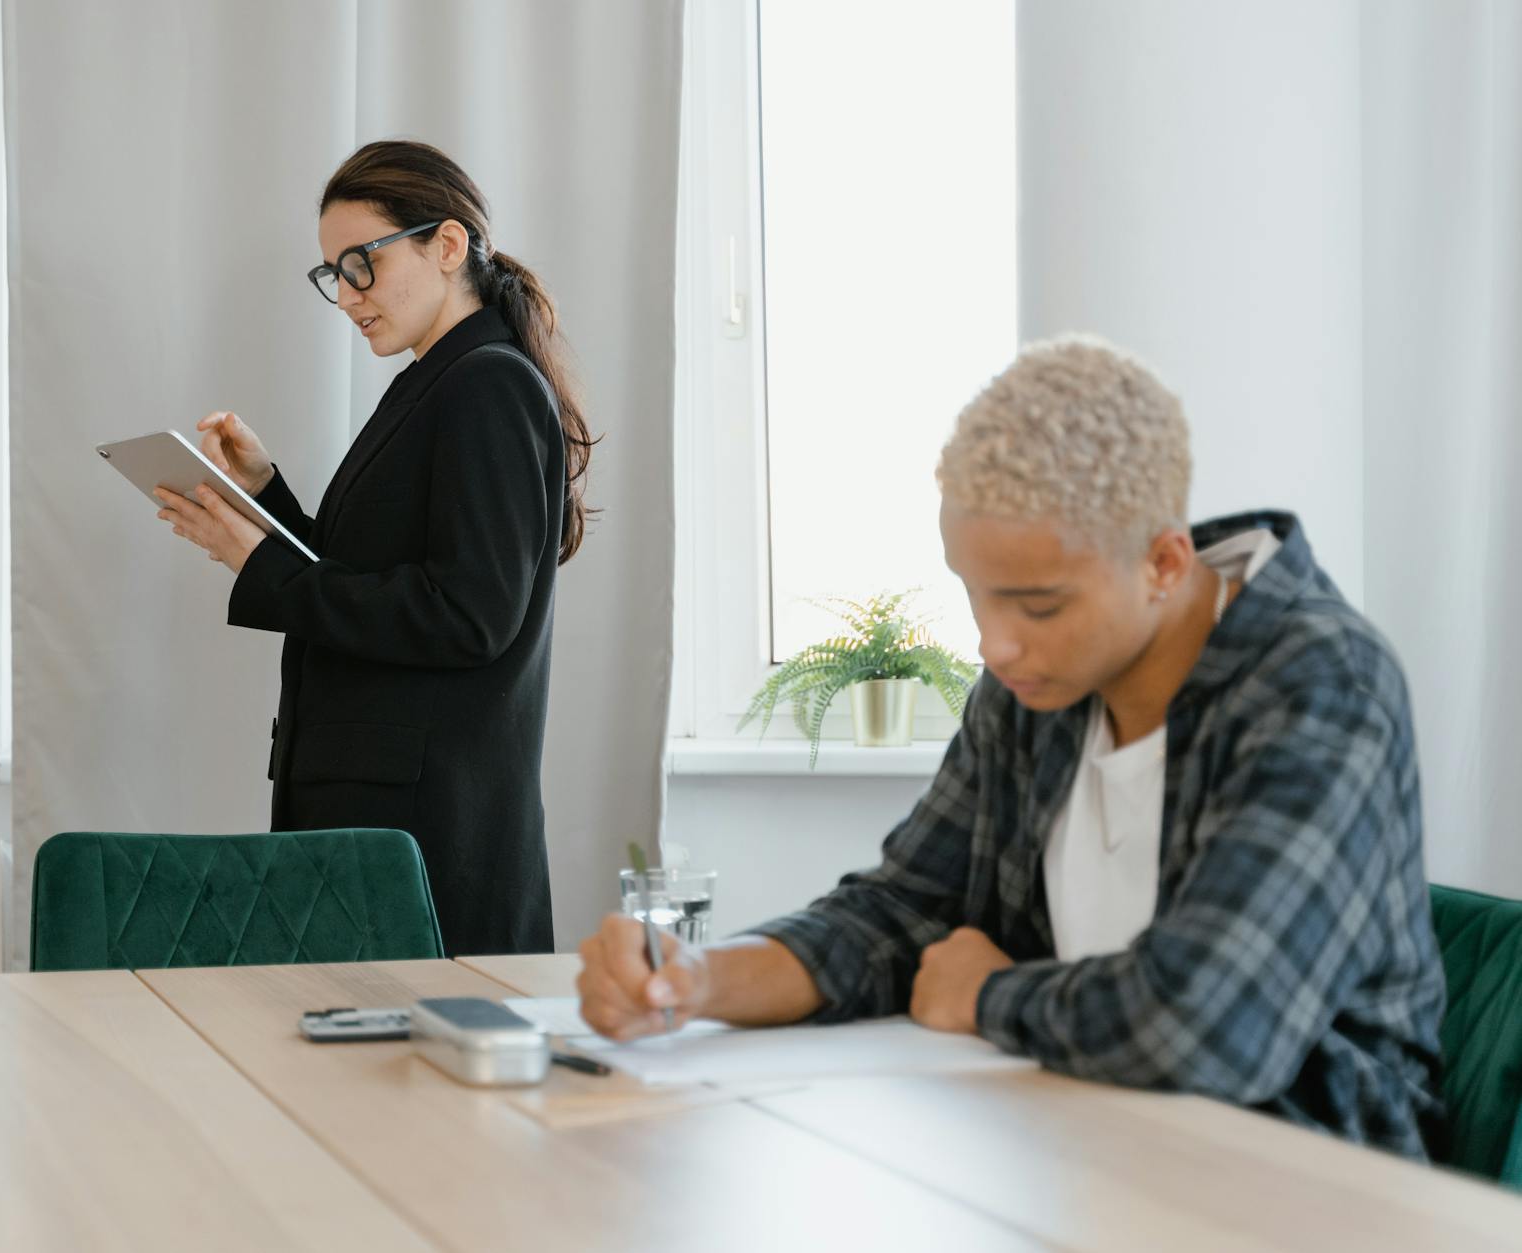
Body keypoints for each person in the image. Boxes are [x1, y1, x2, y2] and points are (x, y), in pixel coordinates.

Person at [577, 336, 1447, 1158]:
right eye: (975, 594)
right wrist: (696, 980)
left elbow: (1208, 1026)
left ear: (1165, 564)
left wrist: (987, 995)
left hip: (1300, 1184)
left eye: (1038, 606)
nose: (995, 646)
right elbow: (902, 913)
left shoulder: (1323, 684)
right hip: (1078, 1144)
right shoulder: (1040, 686)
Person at [153, 140, 594, 956]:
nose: (348, 294)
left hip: (424, 833)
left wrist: (257, 563)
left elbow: (467, 616)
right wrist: (264, 493)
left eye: (363, 263)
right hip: (378, 820)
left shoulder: (487, 383)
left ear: (447, 245)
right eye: (333, 274)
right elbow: (373, 577)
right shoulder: (438, 380)